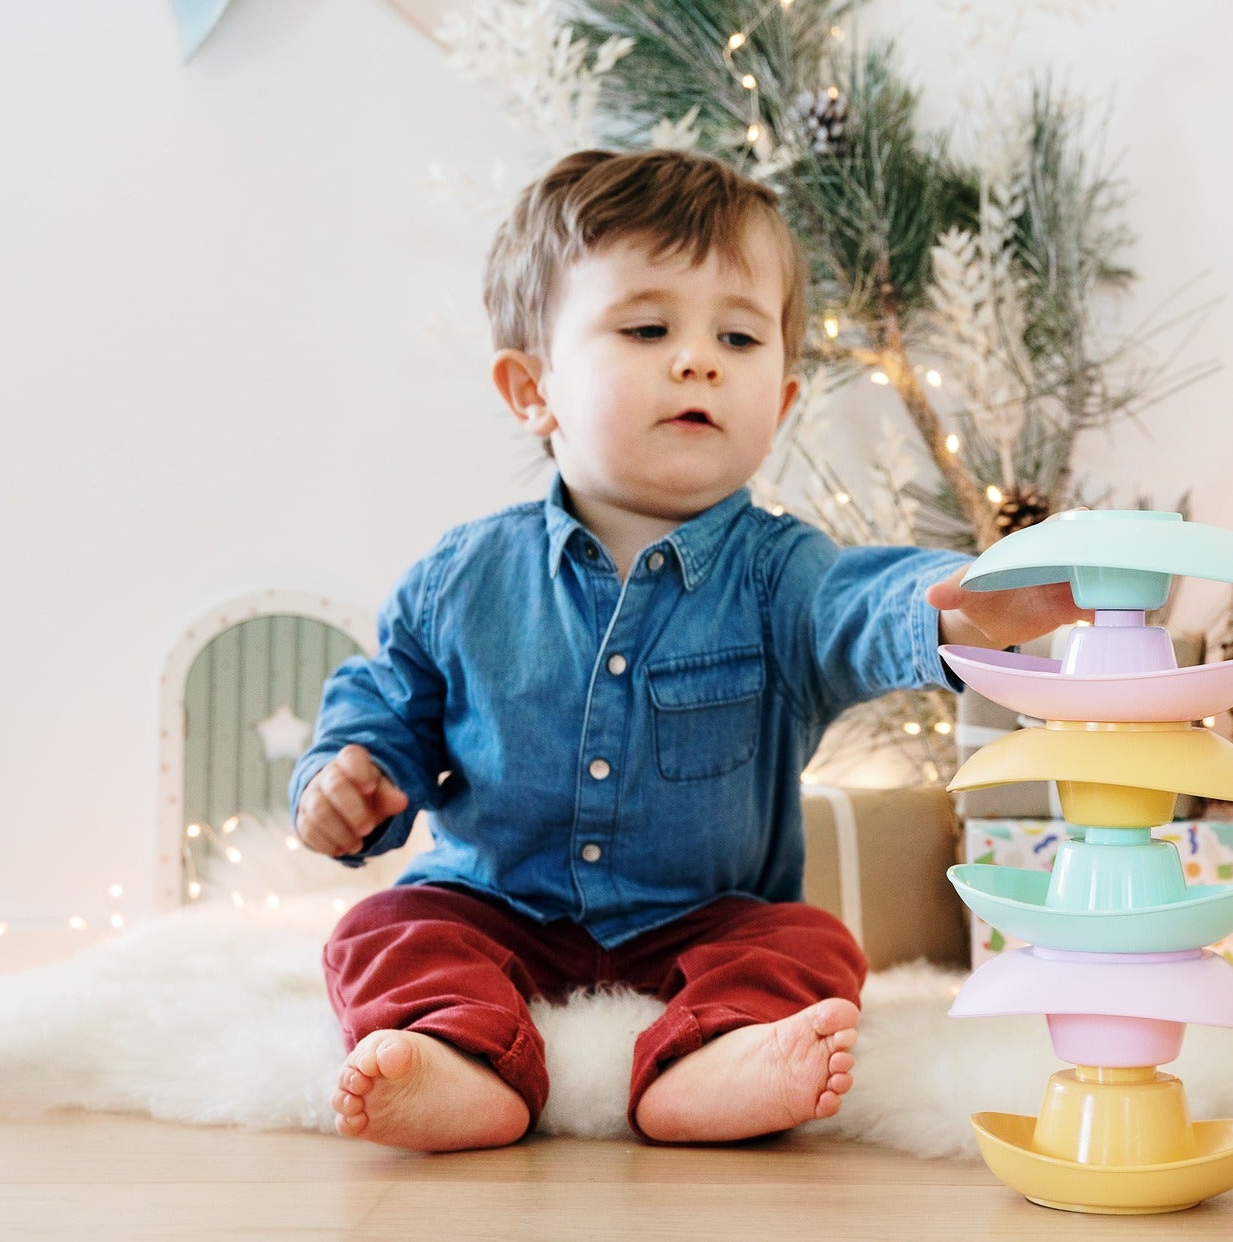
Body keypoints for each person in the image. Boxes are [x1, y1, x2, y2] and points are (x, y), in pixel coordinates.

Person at [291, 148, 1077, 1153]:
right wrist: (352, 775)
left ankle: (710, 1060)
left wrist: (964, 610)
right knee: (383, 932)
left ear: (779, 404)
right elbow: (387, 697)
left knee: (811, 943)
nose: (699, 360)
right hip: (494, 902)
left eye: (737, 337)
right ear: (532, 388)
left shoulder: (782, 574)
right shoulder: (462, 577)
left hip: (709, 916)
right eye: (647, 328)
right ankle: (457, 1053)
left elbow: (866, 603)